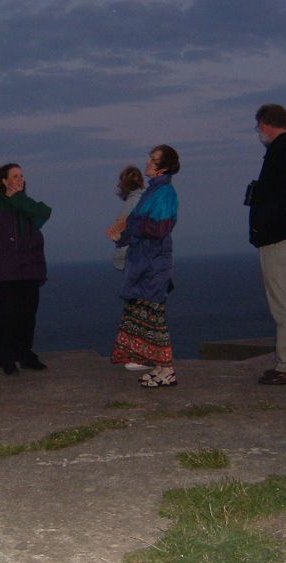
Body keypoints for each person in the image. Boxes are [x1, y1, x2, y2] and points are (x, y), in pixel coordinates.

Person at [248, 104, 286, 385]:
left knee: (284, 301)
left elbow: (276, 198)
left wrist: (264, 227)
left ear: (264, 123)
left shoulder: (279, 152)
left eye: (258, 126)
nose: (258, 132)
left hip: (280, 237)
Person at [108, 145, 180, 387]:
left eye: (153, 159)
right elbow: (139, 226)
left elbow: (159, 229)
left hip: (153, 265)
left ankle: (167, 370)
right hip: (144, 263)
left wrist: (129, 228)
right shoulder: (153, 191)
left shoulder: (165, 193)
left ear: (163, 167)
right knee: (147, 317)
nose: (147, 162)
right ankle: (160, 368)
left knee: (154, 318)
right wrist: (120, 236)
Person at [0, 163, 52, 376]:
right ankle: (7, 358)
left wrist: (17, 198)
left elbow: (44, 212)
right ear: (4, 181)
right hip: (5, 273)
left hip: (30, 271)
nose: (20, 179)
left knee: (28, 316)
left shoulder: (27, 205)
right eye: (15, 176)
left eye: (22, 176)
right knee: (9, 317)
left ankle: (25, 355)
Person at [111, 166, 145, 271]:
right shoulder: (145, 200)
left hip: (131, 257)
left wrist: (116, 235)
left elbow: (123, 232)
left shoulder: (131, 203)